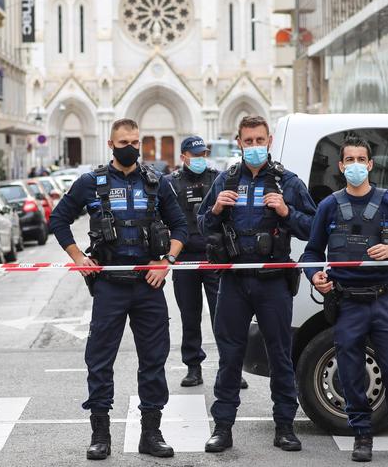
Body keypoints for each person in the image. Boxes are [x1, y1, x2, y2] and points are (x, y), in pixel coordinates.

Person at [50, 118, 187, 460]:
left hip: (147, 284)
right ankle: (100, 434)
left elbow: (181, 225)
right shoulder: (90, 182)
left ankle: (151, 433)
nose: (131, 147)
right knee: (99, 361)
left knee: (154, 361)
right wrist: (78, 256)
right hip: (109, 285)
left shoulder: (156, 182)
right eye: (124, 141)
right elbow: (58, 219)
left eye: (136, 141)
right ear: (111, 145)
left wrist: (166, 261)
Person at [197, 115, 316, 453]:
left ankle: (284, 427)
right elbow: (203, 228)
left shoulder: (286, 183)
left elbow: (312, 229)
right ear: (239, 143)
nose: (253, 147)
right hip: (234, 281)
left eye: (259, 140)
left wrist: (286, 212)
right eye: (247, 141)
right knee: (230, 357)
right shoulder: (226, 180)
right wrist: (217, 209)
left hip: (273, 283)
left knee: (280, 355)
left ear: (269, 142)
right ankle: (222, 428)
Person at [302, 136, 388, 462]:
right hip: (348, 302)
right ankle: (362, 435)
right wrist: (316, 276)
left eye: (360, 159)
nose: (354, 165)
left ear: (370, 164)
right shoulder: (329, 206)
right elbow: (311, 252)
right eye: (348, 160)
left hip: (383, 299)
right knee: (350, 374)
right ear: (341, 166)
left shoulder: (386, 201)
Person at [167, 136, 249, 389]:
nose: (201, 159)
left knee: (222, 315)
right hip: (185, 259)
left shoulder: (217, 178)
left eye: (203, 154)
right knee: (189, 315)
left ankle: (232, 367)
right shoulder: (170, 184)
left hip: (214, 256)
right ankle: (193, 367)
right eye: (195, 155)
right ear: (183, 157)